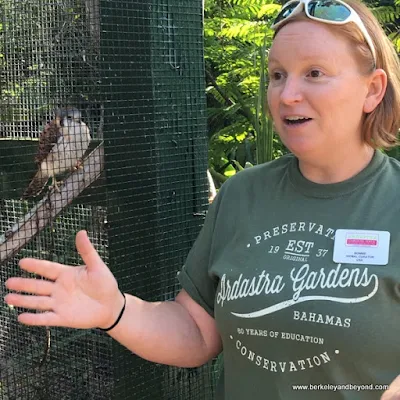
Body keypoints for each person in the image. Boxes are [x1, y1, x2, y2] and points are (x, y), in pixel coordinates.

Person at [4, 0, 400, 398]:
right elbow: (196, 332)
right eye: (277, 75)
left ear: (373, 89)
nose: (287, 94)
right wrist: (116, 311)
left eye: (314, 73)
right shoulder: (242, 194)